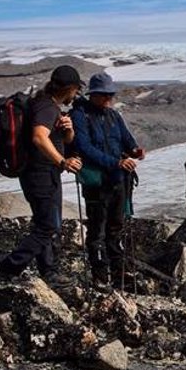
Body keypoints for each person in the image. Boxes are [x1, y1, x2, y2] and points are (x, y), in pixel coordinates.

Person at [0, 65, 84, 289]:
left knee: (44, 222)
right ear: (70, 88)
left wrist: (68, 130)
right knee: (48, 225)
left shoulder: (46, 105)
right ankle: (11, 265)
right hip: (41, 174)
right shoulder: (46, 107)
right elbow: (38, 137)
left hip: (41, 173)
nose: (75, 96)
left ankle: (49, 270)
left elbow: (61, 140)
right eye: (75, 90)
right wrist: (62, 162)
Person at [70, 72, 145, 289]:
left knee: (116, 227)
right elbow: (84, 148)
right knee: (97, 229)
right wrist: (116, 163)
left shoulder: (113, 116)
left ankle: (119, 273)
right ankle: (100, 276)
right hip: (97, 182)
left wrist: (134, 150)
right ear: (92, 94)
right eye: (104, 95)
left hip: (118, 180)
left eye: (110, 95)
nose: (108, 99)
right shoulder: (80, 115)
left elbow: (127, 140)